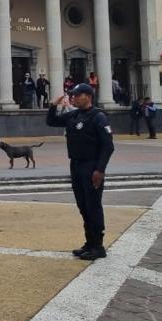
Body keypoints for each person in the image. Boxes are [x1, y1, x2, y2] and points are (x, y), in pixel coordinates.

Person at [47, 84, 115, 260]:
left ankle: (98, 246)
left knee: (93, 205)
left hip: (91, 166)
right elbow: (52, 121)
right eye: (72, 95)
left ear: (88, 96)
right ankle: (89, 242)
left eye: (77, 95)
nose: (74, 98)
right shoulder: (74, 115)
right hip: (76, 165)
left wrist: (100, 170)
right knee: (83, 205)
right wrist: (53, 105)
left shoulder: (98, 117)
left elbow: (108, 146)